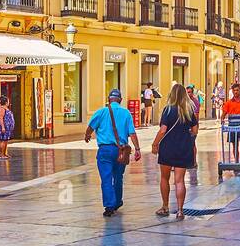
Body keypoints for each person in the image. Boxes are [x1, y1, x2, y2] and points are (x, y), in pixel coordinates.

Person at [84, 88, 142, 217]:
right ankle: (117, 202)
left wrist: (87, 136)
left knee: (106, 178)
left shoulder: (101, 112)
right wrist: (137, 149)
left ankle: (109, 206)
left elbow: (90, 127)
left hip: (105, 150)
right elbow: (132, 133)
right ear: (120, 100)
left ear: (108, 100)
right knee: (118, 177)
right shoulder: (126, 113)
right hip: (121, 150)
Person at [153, 83, 199, 220]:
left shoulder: (167, 110)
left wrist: (155, 144)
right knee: (179, 181)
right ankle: (180, 211)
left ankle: (165, 207)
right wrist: (185, 132)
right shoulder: (188, 110)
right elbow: (195, 130)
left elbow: (163, 130)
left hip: (168, 148)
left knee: (164, 178)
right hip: (183, 148)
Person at [0, 96, 15, 160]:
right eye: (8, 101)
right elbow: (1, 119)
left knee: (6, 140)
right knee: (2, 140)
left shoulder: (6, 108)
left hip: (7, 128)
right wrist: (3, 127)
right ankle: (1, 154)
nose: (9, 102)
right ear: (6, 102)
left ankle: (5, 153)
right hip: (3, 127)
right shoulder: (1, 109)